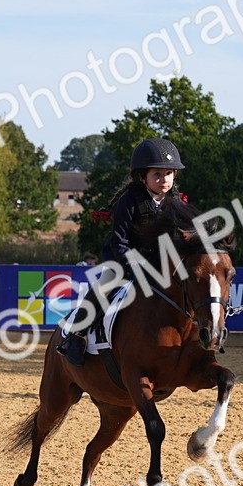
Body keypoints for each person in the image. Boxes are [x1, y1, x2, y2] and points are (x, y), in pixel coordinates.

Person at [57, 138, 186, 367]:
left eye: (168, 173)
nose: (163, 179)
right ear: (142, 177)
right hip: (124, 260)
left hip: (160, 264)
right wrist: (135, 268)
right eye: (157, 174)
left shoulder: (176, 202)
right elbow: (119, 242)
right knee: (104, 287)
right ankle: (75, 336)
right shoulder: (129, 201)